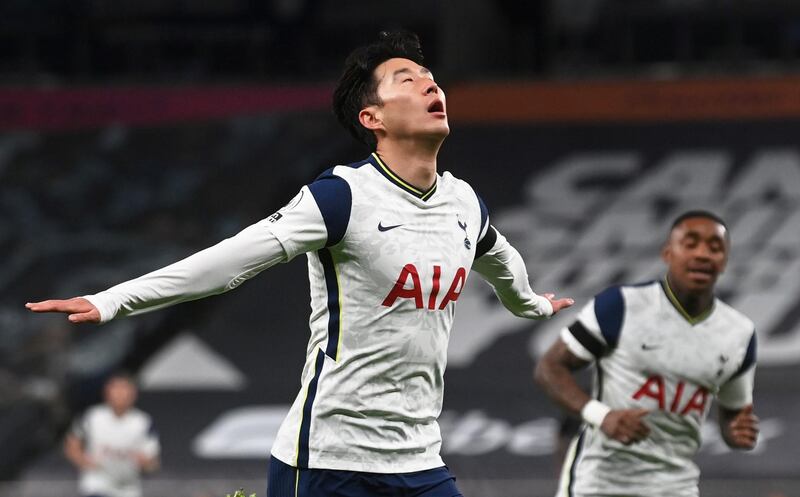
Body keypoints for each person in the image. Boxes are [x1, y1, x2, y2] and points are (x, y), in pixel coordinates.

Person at [26, 30, 573, 497]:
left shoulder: (463, 203)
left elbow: (501, 259)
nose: (431, 84)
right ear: (372, 116)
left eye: (431, 76)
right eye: (407, 79)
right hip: (326, 459)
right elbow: (230, 262)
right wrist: (112, 300)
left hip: (417, 460)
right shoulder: (341, 197)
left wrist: (532, 304)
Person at [534, 210, 759, 497]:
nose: (703, 254)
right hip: (599, 484)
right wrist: (602, 415)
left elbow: (733, 416)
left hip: (676, 488)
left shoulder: (740, 332)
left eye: (715, 248)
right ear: (667, 253)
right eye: (691, 243)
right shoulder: (621, 305)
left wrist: (737, 433)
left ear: (725, 261)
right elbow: (550, 367)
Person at [63, 372, 160, 497]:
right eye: (116, 388)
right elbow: (72, 443)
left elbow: (152, 462)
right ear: (107, 392)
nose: (120, 394)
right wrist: (83, 461)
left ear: (133, 394)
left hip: (127, 487)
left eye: (124, 389)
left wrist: (146, 463)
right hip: (97, 484)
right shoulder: (92, 417)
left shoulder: (143, 422)